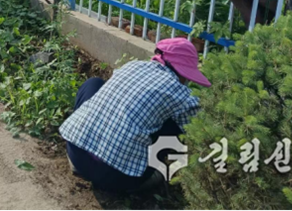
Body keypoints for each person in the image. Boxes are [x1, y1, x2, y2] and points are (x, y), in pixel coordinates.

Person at [59, 37, 210, 192]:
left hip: (76, 153)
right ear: (182, 72)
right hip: (117, 177)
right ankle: (151, 174)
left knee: (94, 83)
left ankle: (80, 153)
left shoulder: (133, 65)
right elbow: (197, 129)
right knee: (174, 125)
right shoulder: (180, 93)